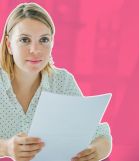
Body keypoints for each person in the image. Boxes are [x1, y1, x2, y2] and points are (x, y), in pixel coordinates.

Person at [0, 2, 112, 161]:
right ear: (9, 45)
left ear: (52, 43)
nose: (35, 50)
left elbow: (98, 133)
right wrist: (6, 148)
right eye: (25, 40)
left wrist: (96, 151)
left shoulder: (62, 82)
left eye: (44, 40)